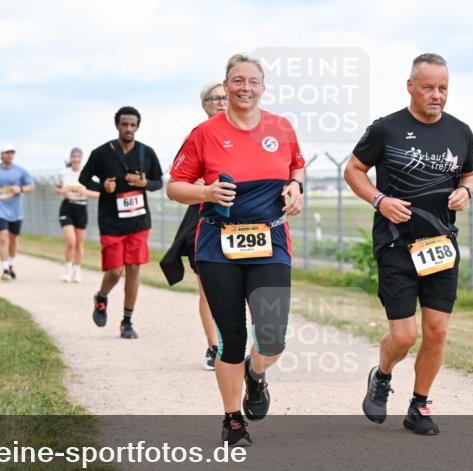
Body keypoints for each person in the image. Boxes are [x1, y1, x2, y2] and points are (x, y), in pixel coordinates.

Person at [168, 53, 305, 447]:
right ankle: (232, 420)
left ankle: (256, 375)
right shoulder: (204, 133)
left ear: (263, 87)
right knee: (230, 337)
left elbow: (296, 166)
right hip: (217, 244)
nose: (245, 88)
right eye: (237, 81)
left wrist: (296, 186)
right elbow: (175, 185)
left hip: (271, 241)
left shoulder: (282, 127)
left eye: (253, 81)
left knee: (273, 336)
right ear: (226, 86)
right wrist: (206, 192)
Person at [344, 53, 473, 436]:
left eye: (443, 88)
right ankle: (382, 374)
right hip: (396, 244)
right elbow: (353, 170)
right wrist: (379, 200)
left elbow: (468, 174)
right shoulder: (386, 129)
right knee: (405, 336)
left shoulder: (460, 132)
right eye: (429, 88)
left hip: (440, 244)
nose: (437, 95)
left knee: (436, 331)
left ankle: (419, 404)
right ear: (411, 87)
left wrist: (466, 191)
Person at [79, 106, 163, 339]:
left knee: (134, 269)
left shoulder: (147, 153)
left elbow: (159, 182)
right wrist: (102, 187)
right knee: (115, 272)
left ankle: (127, 322)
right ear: (117, 125)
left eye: (132, 125)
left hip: (138, 222)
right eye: (124, 124)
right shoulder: (101, 153)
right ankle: (102, 296)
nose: (128, 129)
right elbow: (84, 178)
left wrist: (144, 184)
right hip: (111, 222)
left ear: (137, 126)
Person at [160, 81, 228, 370]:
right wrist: (200, 185)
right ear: (204, 105)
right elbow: (178, 179)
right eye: (215, 99)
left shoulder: (247, 132)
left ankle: (238, 342)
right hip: (203, 215)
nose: (221, 103)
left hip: (244, 218)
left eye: (225, 98)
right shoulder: (198, 136)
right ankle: (214, 346)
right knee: (208, 288)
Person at [0, 145, 35, 281]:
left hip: (16, 212)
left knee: (14, 242)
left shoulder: (20, 171)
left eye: (12, 153)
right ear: (1, 155)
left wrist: (20, 189)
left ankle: (10, 265)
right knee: (3, 238)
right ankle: (5, 269)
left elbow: (31, 186)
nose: (9, 155)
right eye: (7, 153)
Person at [54, 147, 99, 282]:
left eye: (78, 157)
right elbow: (56, 188)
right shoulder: (63, 173)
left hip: (81, 208)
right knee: (71, 241)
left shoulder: (87, 174)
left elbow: (97, 194)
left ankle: (77, 270)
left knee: (79, 243)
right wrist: (63, 192)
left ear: (81, 159)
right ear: (70, 158)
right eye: (73, 157)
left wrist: (85, 193)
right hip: (67, 207)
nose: (75, 159)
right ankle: (67, 270)